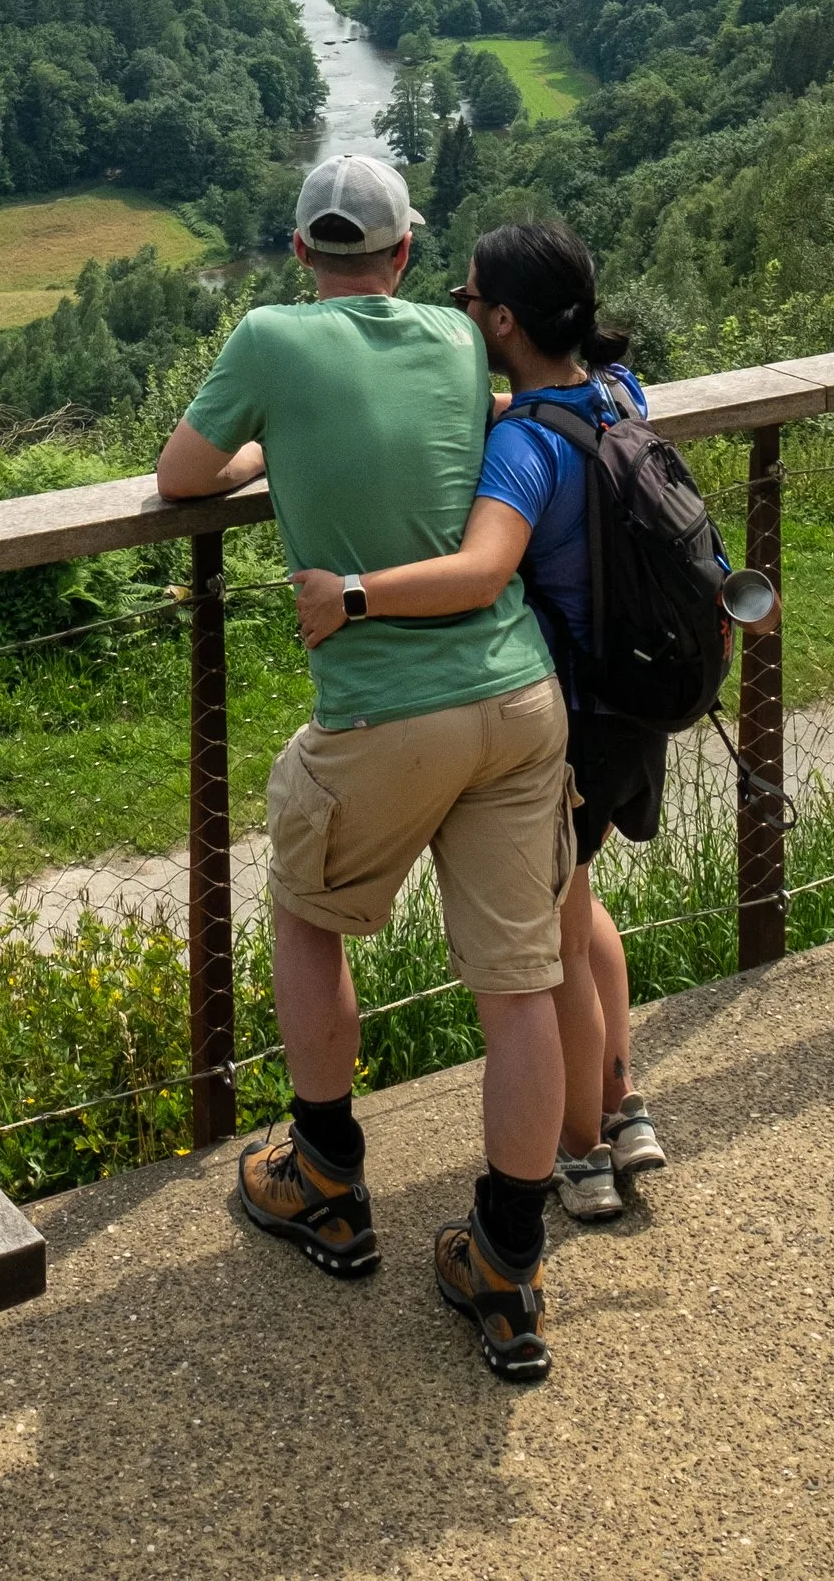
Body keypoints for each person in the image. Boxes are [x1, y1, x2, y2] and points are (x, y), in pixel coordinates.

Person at [155, 152, 575, 1386]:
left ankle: (325, 1181)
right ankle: (503, 1260)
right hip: (516, 695)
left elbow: (182, 478)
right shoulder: (456, 335)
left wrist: (263, 460)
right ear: (401, 256)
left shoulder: (270, 339)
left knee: (308, 914)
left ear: (301, 254)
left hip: (387, 709)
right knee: (518, 985)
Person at [459, 217, 679, 1223]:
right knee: (582, 908)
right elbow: (561, 413)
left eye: (468, 302)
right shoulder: (617, 393)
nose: (462, 312)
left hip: (567, 720)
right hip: (635, 699)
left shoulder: (518, 449)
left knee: (551, 940)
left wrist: (355, 595)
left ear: (501, 320)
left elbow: (484, 566)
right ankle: (624, 1104)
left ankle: (582, 1152)